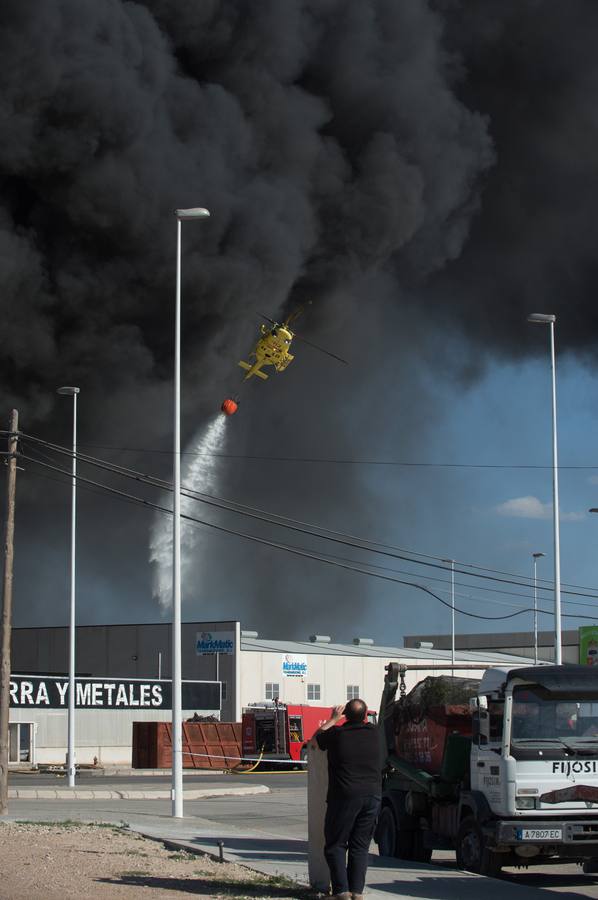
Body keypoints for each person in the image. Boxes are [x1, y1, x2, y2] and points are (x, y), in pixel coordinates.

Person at [312, 699, 382, 900]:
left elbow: (316, 739)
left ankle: (342, 891)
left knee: (336, 844)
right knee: (360, 847)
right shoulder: (375, 734)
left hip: (345, 796)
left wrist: (333, 719)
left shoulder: (337, 734)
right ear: (367, 714)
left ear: (346, 716)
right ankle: (357, 892)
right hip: (373, 796)